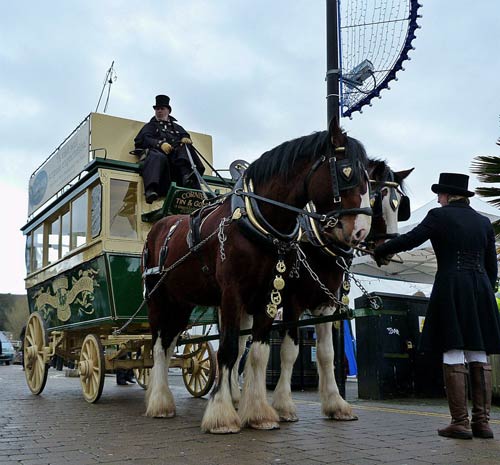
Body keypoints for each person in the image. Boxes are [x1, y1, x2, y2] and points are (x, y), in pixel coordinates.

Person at [374, 172, 500, 440]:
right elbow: (492, 267)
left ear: (446, 195)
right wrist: (484, 290)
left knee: (453, 349)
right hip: (481, 289)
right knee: (479, 353)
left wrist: (381, 249)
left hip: (451, 286)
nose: (438, 198)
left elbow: (411, 239)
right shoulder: (483, 222)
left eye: (440, 193)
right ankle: (483, 423)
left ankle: (460, 423)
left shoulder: (438, 216)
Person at [134, 94, 206, 203]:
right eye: (157, 109)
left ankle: (187, 177)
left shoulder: (176, 127)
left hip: (174, 159)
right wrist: (160, 144)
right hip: (157, 155)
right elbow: (144, 139)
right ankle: (151, 190)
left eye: (162, 109)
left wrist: (186, 138)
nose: (159, 111)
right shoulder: (150, 126)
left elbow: (184, 135)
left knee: (185, 148)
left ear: (168, 111)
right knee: (157, 156)